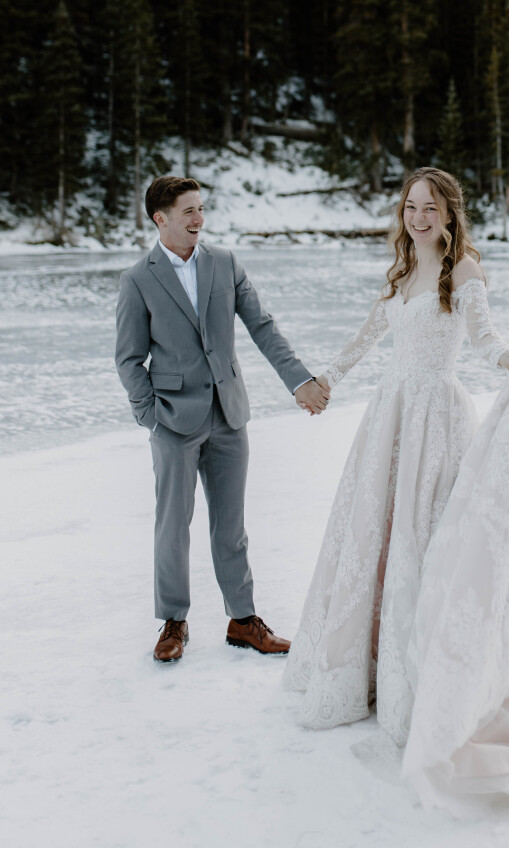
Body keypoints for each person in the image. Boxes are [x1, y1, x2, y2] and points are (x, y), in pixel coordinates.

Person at [283, 167, 509, 811]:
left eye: (430, 207)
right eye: (410, 206)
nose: (418, 217)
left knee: (424, 543)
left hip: (436, 421)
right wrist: (324, 380)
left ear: (449, 212)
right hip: (390, 416)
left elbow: (485, 338)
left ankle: (422, 677)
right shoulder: (403, 269)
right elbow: (366, 338)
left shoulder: (462, 270)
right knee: (374, 539)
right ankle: (370, 667)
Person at [115, 176, 329, 663]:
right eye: (188, 211)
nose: (199, 219)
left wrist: (299, 381)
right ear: (160, 219)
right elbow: (128, 359)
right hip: (173, 421)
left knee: (231, 526)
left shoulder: (225, 263)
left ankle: (243, 620)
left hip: (229, 414)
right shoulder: (138, 279)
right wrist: (151, 417)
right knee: (173, 526)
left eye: (201, 208)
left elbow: (262, 327)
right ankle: (173, 621)